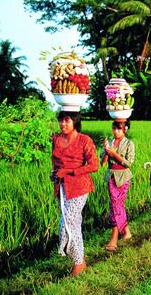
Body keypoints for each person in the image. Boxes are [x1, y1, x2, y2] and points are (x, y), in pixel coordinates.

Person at [51, 111, 98, 276]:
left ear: (75, 121)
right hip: (61, 188)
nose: (62, 124)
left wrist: (69, 171)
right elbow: (55, 162)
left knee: (66, 226)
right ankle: (80, 261)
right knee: (74, 225)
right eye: (61, 120)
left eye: (67, 120)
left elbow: (94, 165)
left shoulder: (84, 140)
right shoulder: (56, 139)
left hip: (79, 188)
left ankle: (78, 262)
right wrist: (54, 173)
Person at [101, 120, 135, 251]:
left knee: (117, 204)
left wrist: (114, 154)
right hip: (111, 176)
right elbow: (103, 163)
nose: (116, 131)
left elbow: (128, 163)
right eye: (114, 129)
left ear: (125, 129)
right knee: (115, 204)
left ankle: (114, 237)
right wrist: (105, 152)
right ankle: (126, 231)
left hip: (123, 177)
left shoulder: (129, 144)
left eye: (119, 129)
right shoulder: (109, 142)